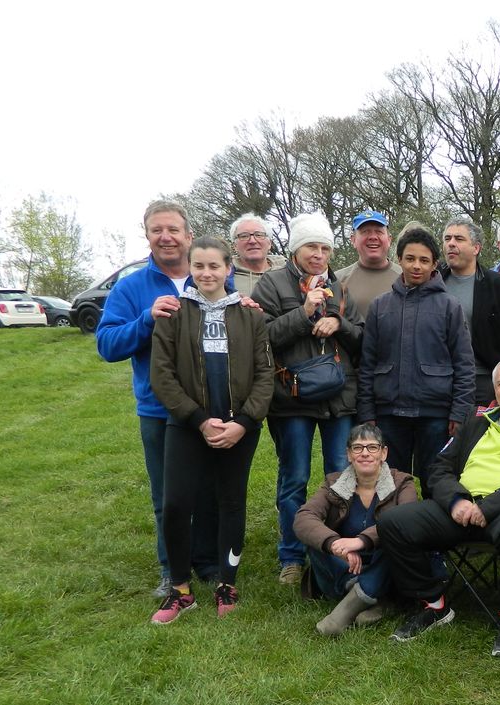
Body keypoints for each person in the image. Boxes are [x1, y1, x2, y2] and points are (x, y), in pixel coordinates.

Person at [377, 357, 500, 657]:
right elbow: (439, 467)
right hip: (462, 509)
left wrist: (491, 505)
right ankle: (434, 604)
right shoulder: (476, 421)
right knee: (393, 522)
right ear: (494, 389)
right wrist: (457, 500)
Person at [96, 199, 219, 596]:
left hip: (211, 404)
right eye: (156, 230)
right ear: (147, 234)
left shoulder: (213, 278)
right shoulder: (131, 286)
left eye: (172, 229)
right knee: (169, 494)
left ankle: (207, 562)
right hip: (158, 408)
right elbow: (107, 344)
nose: (165, 237)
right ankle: (172, 568)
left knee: (208, 489)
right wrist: (146, 318)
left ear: (188, 234)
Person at [148, 236, 273, 623]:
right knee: (176, 504)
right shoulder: (174, 313)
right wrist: (199, 420)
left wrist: (244, 422)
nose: (206, 273)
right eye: (198, 266)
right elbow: (162, 375)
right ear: (191, 268)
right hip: (188, 426)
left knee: (231, 502)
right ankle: (181, 591)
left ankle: (226, 583)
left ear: (228, 269)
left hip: (240, 429)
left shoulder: (251, 315)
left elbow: (266, 375)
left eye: (214, 266)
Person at [254, 211, 364, 585]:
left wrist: (340, 324)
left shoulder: (341, 285)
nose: (318, 254)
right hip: (291, 399)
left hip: (338, 396)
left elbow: (361, 339)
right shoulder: (270, 284)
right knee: (294, 477)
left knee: (341, 476)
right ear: (296, 249)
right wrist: (303, 314)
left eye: (324, 247)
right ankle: (291, 556)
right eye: (311, 246)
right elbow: (262, 338)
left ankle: (340, 548)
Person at [358, 227, 475, 489]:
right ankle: (393, 528)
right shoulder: (380, 306)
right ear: (399, 260)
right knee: (390, 482)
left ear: (435, 264)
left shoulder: (449, 306)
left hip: (435, 413)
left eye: (424, 260)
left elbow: (464, 364)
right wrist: (367, 411)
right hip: (389, 411)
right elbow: (367, 364)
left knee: (436, 480)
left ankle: (435, 529)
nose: (416, 266)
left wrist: (459, 412)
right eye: (410, 259)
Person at [294, 424, 417, 635]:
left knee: (397, 537)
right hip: (344, 567)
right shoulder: (334, 483)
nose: (365, 454)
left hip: (385, 563)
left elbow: (408, 520)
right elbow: (303, 518)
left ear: (384, 453)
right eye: (358, 448)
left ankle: (348, 608)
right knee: (315, 539)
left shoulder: (402, 483)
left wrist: (361, 541)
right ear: (349, 455)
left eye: (372, 447)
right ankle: (371, 596)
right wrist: (333, 544)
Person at [438, 216, 500, 406]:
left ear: (476, 248)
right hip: (439, 378)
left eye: (459, 239)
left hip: (484, 379)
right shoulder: (433, 282)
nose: (451, 244)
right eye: (447, 239)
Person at [335, 210, 399, 318]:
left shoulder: (406, 278)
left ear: (389, 239)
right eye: (365, 231)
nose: (373, 237)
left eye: (379, 232)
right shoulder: (337, 281)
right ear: (353, 240)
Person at [229, 214, 285, 296]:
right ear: (235, 246)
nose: (252, 241)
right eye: (244, 236)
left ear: (269, 243)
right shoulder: (224, 276)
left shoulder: (287, 271)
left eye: (258, 235)